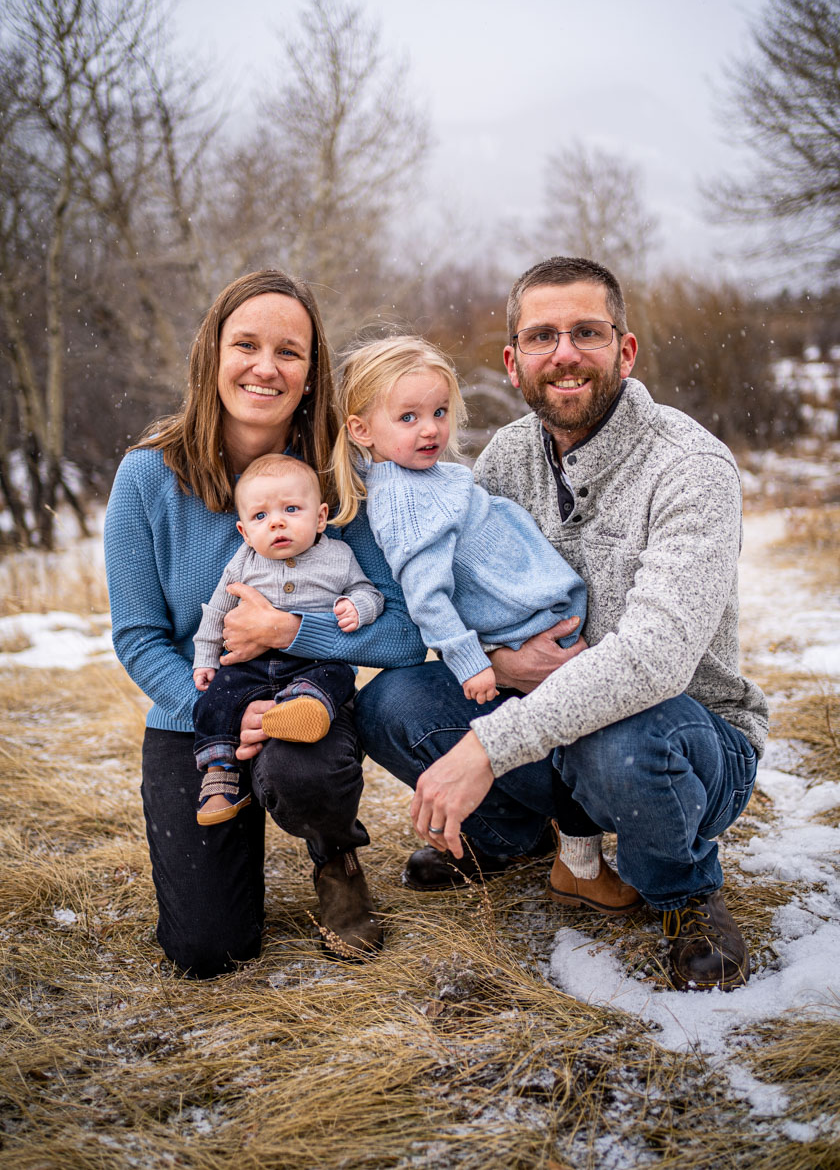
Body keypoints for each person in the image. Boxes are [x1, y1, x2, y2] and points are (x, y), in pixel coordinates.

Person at [356, 256, 768, 991]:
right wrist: (500, 664)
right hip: (549, 715)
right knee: (391, 703)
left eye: (587, 332)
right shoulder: (508, 456)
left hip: (686, 731)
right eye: (543, 336)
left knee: (624, 737)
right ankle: (510, 837)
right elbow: (453, 590)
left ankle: (684, 891)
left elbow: (656, 662)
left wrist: (487, 748)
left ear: (625, 350)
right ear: (514, 363)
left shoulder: (690, 465)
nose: (566, 353)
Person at [104, 270, 427, 977]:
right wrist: (217, 710)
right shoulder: (146, 475)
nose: (265, 367)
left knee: (302, 759)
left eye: (290, 351)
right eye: (245, 344)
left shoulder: (342, 476)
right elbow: (136, 634)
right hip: (197, 715)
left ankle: (335, 857)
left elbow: (404, 632)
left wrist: (292, 635)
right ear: (211, 354)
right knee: (207, 949)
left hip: (304, 697)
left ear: (311, 372)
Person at [331, 335, 587, 707]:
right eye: (408, 417)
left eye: (439, 412)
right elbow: (426, 595)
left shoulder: (419, 475)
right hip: (529, 628)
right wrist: (471, 663)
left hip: (540, 616)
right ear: (361, 431)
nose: (431, 429)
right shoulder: (402, 501)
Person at [192, 453, 384, 825]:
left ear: (321, 517)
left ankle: (303, 708)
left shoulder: (339, 556)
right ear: (245, 532)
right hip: (250, 666)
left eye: (292, 509)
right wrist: (204, 657)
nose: (277, 521)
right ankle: (220, 773)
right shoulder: (243, 562)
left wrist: (357, 606)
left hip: (313, 662)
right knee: (215, 699)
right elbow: (216, 612)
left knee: (337, 675)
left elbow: (370, 592)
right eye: (260, 516)